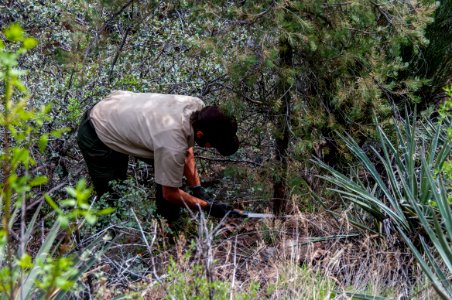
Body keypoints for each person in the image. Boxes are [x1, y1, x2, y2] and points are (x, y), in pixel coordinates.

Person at [77, 90, 240, 223]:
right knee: (111, 196)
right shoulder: (172, 143)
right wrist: (207, 207)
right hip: (97, 130)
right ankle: (108, 241)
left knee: (172, 174)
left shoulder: (197, 107)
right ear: (200, 134)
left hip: (118, 113)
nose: (212, 147)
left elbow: (187, 152)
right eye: (213, 144)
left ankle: (168, 227)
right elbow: (170, 193)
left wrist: (198, 190)